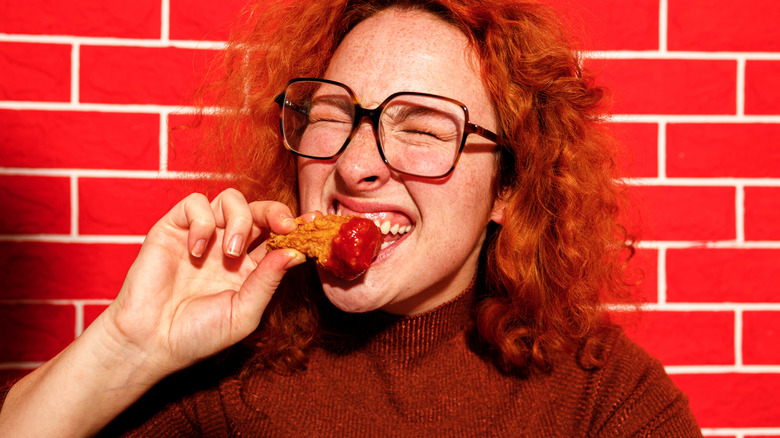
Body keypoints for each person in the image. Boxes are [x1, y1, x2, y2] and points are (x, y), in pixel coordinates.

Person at [0, 0, 703, 435]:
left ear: (507, 192)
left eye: (423, 128)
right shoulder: (229, 375)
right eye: (333, 115)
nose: (354, 165)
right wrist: (129, 347)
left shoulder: (603, 400)